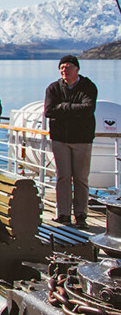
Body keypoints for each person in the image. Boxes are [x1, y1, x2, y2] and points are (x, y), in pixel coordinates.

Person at [45, 55, 98, 230]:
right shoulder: (53, 88)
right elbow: (49, 111)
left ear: (77, 69)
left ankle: (81, 215)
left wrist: (63, 107)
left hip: (82, 140)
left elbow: (88, 108)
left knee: (81, 179)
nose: (64, 71)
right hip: (60, 139)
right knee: (63, 177)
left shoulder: (88, 87)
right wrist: (72, 109)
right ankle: (64, 214)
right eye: (61, 68)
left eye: (68, 67)